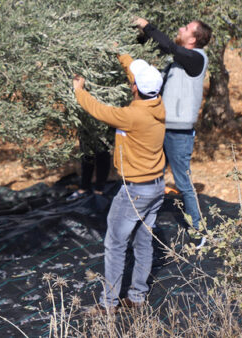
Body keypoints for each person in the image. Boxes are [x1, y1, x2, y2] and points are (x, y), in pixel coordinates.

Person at [73, 54, 165, 309]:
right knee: (144, 242)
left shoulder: (132, 116)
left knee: (115, 244)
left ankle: (108, 304)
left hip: (135, 190)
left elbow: (99, 110)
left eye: (132, 82)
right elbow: (138, 81)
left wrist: (79, 91)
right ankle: (137, 297)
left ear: (135, 88)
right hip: (156, 187)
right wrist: (122, 56)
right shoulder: (158, 103)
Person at [133, 17, 212, 232]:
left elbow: (168, 45)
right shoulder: (176, 63)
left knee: (183, 183)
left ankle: (198, 230)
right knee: (152, 176)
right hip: (162, 128)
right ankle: (143, 221)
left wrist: (147, 25)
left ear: (193, 39)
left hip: (179, 134)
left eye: (186, 28)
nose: (180, 28)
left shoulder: (196, 59)